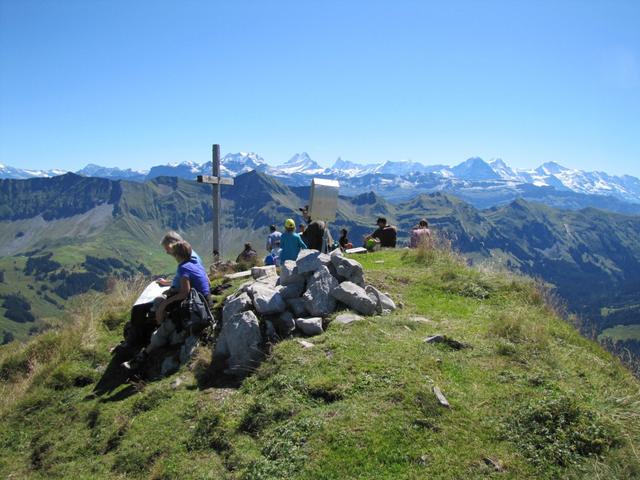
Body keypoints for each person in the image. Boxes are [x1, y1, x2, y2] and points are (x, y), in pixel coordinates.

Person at [123, 241, 211, 369]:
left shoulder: (183, 268)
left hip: (195, 309)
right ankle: (160, 327)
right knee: (164, 307)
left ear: (177, 255)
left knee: (161, 332)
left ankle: (141, 358)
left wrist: (165, 304)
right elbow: (206, 282)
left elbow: (185, 293)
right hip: (205, 302)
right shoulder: (195, 263)